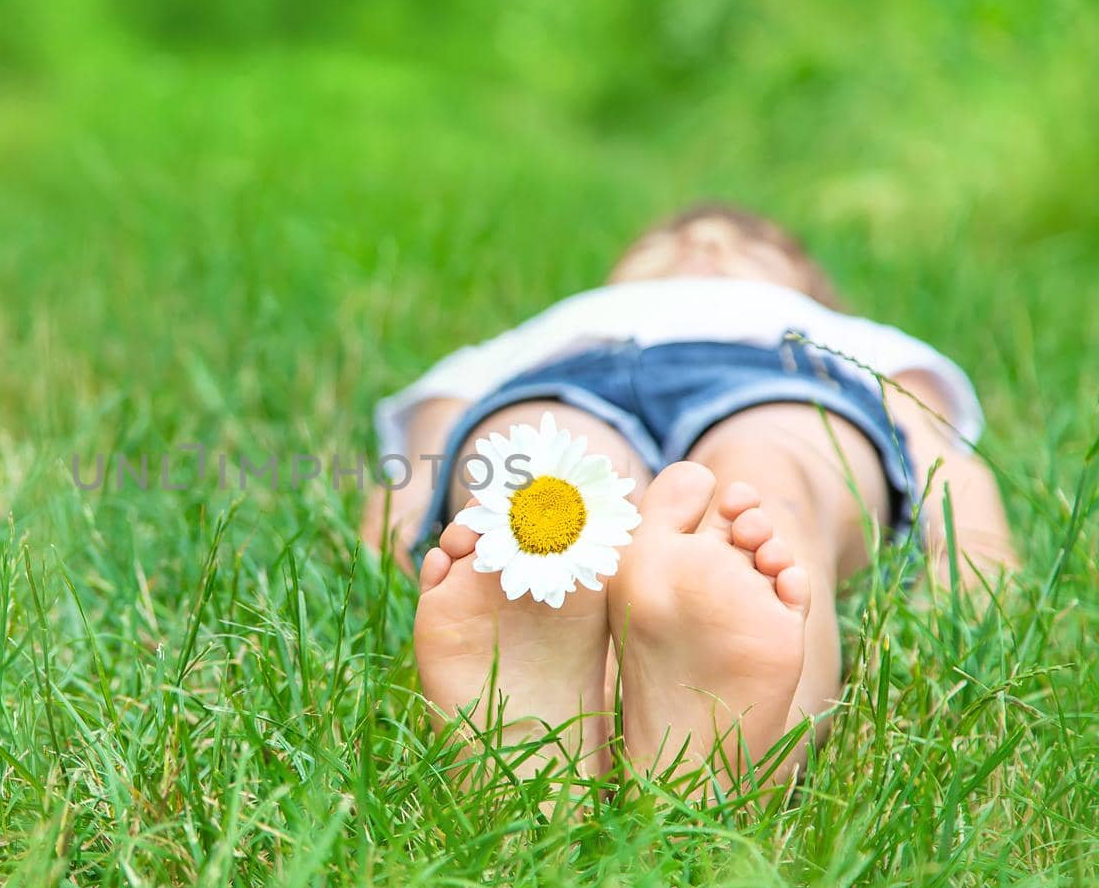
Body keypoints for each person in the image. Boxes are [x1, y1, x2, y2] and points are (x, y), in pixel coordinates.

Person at [363, 203, 1017, 800]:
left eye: (751, 246)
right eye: (666, 244)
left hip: (778, 379)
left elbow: (943, 455)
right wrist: (391, 532)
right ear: (615, 278)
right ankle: (634, 750)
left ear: (809, 289)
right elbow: (429, 438)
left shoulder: (851, 336)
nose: (704, 241)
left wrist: (969, 579)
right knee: (530, 474)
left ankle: (664, 746)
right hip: (561, 383)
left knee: (766, 494)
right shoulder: (548, 329)